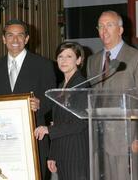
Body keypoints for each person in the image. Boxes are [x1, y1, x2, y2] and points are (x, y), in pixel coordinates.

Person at [0, 19, 56, 180]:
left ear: (27, 39)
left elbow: (52, 100)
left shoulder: (43, 65)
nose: (15, 40)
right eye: (10, 35)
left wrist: (41, 104)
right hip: (3, 142)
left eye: (20, 35)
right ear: (4, 39)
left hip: (33, 139)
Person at [86, 10, 138, 180]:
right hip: (98, 141)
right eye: (100, 26)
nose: (104, 30)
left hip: (127, 141)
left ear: (120, 30)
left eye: (109, 25)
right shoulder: (92, 61)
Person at [34, 42, 89, 180]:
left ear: (78, 60)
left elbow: (80, 123)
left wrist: (48, 130)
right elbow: (57, 122)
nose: (63, 60)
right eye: (60, 56)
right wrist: (53, 155)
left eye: (69, 56)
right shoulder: (60, 87)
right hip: (63, 153)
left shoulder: (81, 85)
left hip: (76, 153)